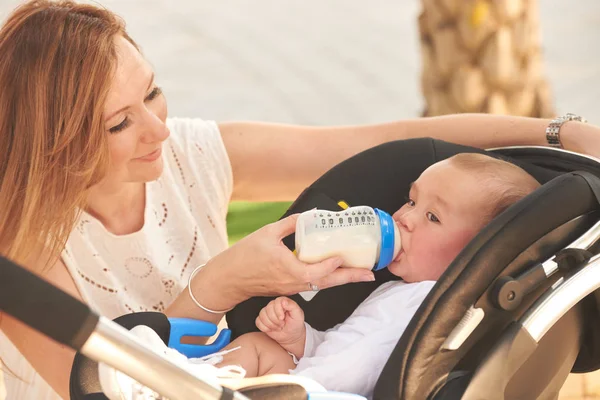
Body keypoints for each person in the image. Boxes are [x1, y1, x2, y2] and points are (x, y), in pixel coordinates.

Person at [0, 1, 596, 399]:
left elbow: (388, 142)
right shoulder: (19, 249)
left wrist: (557, 134)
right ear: (55, 142)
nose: (160, 129)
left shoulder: (188, 152)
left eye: (153, 92)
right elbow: (111, 384)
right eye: (119, 124)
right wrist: (225, 282)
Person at [199, 153, 539, 398]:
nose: (405, 217)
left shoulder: (436, 304)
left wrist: (302, 383)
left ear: (479, 255)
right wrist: (298, 338)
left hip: (334, 390)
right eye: (411, 201)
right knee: (260, 345)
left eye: (432, 217)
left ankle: (191, 388)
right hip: (322, 381)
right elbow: (344, 346)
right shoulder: (396, 290)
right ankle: (193, 383)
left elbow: (358, 368)